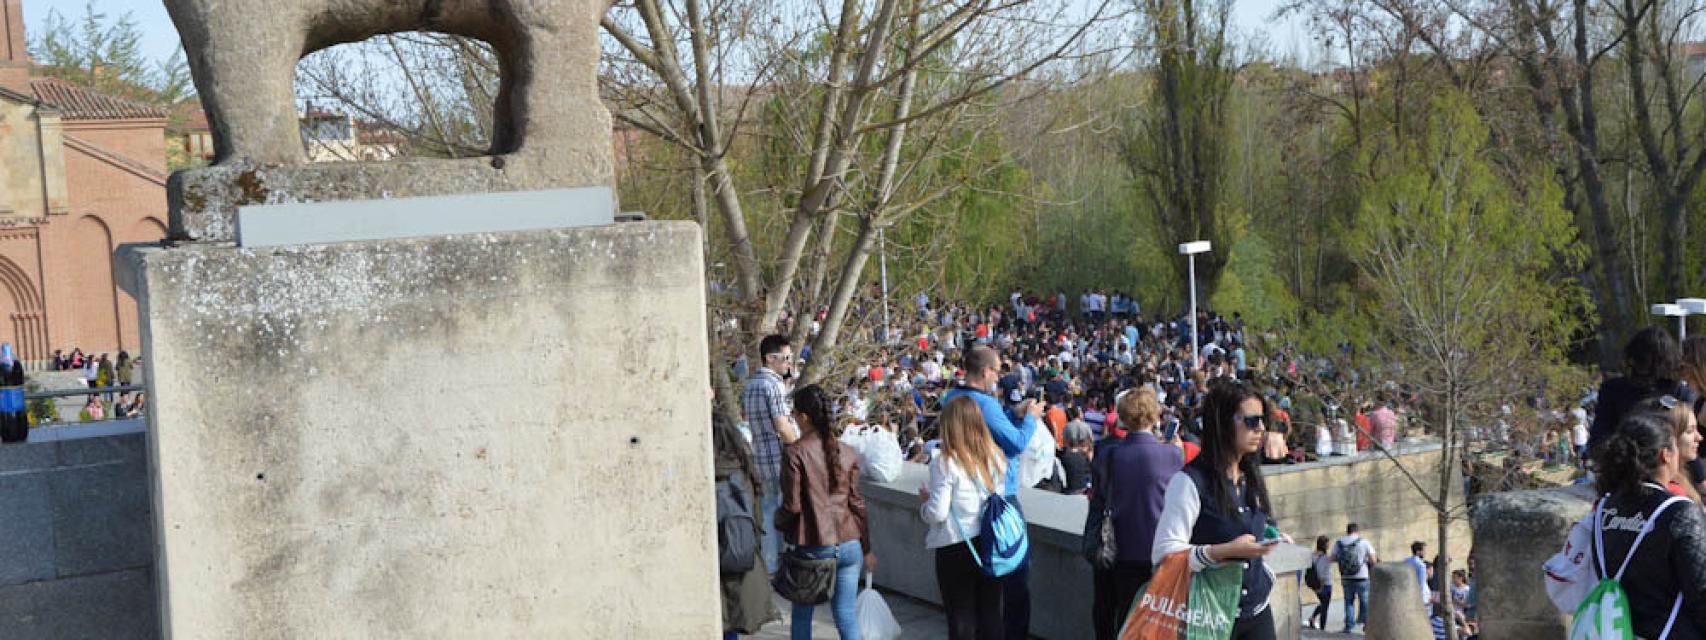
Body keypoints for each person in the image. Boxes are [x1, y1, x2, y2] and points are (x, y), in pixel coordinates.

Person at [1153, 380, 1284, 640]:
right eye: (1250, 421)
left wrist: (1269, 534)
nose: (1260, 429)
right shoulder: (1190, 482)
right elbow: (1163, 554)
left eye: (1262, 421)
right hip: (1209, 615)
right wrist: (1225, 552)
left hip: (1256, 610)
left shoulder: (1249, 475)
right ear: (1223, 423)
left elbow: (1249, 524)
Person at [940, 345, 1042, 639]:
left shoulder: (953, 397)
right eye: (997, 371)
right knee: (1014, 574)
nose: (998, 377)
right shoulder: (986, 404)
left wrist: (1012, 412)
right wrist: (1031, 417)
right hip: (999, 497)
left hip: (966, 497)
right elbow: (1017, 443)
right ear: (985, 371)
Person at [1583, 411, 1706, 638]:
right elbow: (1700, 591)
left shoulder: (1605, 508)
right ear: (1665, 455)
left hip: (1621, 630)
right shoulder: (1679, 511)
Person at [776, 385, 869, 640]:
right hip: (850, 543)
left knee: (802, 615)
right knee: (846, 615)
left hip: (814, 544)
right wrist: (867, 547)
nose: (792, 418)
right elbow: (857, 504)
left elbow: (792, 506)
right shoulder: (847, 452)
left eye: (794, 413)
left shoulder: (795, 452)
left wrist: (777, 523)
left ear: (804, 416)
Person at [1089, 387, 1182, 639]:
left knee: (1122, 616)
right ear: (1155, 418)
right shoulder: (1172, 454)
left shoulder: (1108, 455)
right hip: (1158, 549)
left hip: (1119, 548)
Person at [920, 396, 1007, 640]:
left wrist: (924, 504)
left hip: (956, 544)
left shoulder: (945, 462)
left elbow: (937, 512)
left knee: (961, 616)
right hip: (990, 541)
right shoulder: (996, 457)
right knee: (990, 612)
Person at [713, 412, 779, 639]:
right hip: (744, 560)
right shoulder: (744, 470)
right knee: (731, 625)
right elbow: (757, 519)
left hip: (714, 563)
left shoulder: (706, 473)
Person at [742, 334, 800, 573]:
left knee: (767, 512)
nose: (789, 362)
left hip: (761, 459)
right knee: (787, 512)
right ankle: (788, 563)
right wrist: (799, 445)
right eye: (785, 357)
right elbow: (781, 424)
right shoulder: (773, 384)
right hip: (780, 459)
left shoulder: (751, 385)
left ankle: (769, 565)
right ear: (770, 358)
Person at [1589, 326, 1692, 453]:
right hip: (1626, 462)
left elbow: (1688, 438)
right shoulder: (1613, 389)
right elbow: (1599, 439)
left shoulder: (1677, 391)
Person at [1334, 522, 1378, 633]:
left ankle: (1349, 626)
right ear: (1357, 531)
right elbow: (1373, 560)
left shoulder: (1339, 543)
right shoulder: (1363, 542)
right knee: (1364, 601)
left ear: (1347, 531)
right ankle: (1366, 624)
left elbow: (1332, 558)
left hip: (1345, 576)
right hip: (1361, 576)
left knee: (1348, 602)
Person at [1309, 536, 1335, 630]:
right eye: (1328, 543)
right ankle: (1322, 629)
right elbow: (1323, 574)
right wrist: (1321, 587)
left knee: (1323, 603)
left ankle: (1312, 618)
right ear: (1324, 545)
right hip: (1325, 585)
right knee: (1325, 607)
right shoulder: (1325, 558)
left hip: (1314, 583)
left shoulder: (1312, 555)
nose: (1329, 545)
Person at [1406, 541, 1432, 608]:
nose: (1425, 553)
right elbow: (1422, 583)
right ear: (1418, 552)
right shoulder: (1421, 565)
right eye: (1424, 551)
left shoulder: (1406, 561)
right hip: (1422, 597)